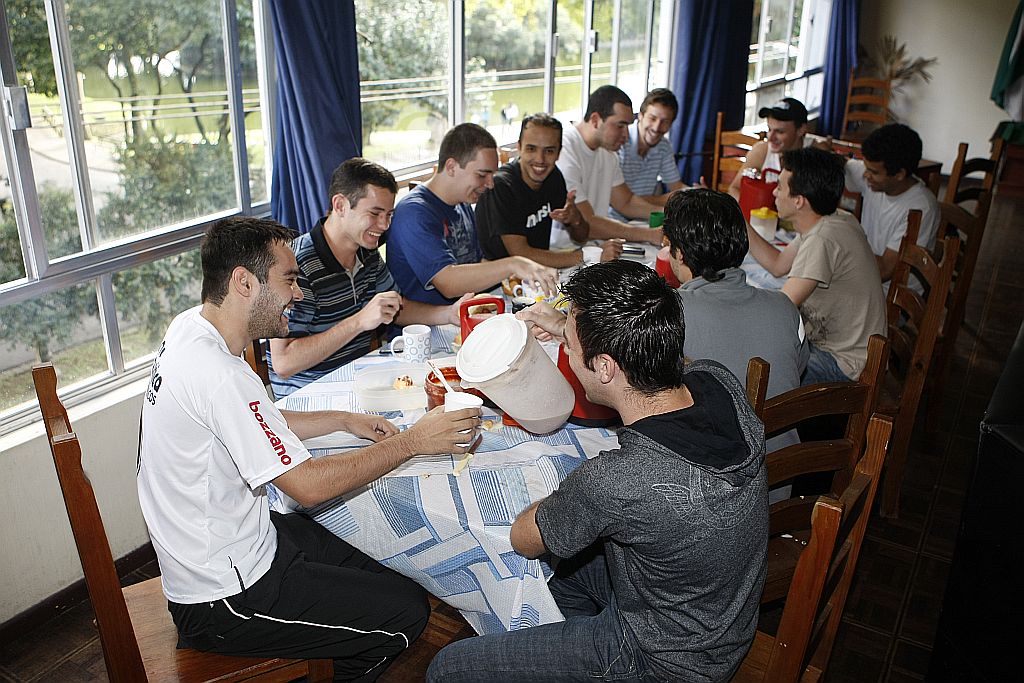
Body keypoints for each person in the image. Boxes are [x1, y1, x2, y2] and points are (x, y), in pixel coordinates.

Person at [138, 216, 482, 681]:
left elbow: (253, 421)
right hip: (223, 596)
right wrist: (413, 441)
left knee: (385, 557)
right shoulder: (219, 373)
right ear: (243, 282)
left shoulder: (192, 329)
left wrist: (342, 420)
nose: (298, 294)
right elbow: (308, 487)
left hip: (241, 542)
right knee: (406, 614)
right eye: (289, 280)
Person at [426, 259, 768, 683]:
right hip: (723, 612)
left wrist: (564, 500)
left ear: (605, 367)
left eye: (569, 345)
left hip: (663, 660)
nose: (566, 353)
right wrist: (569, 324)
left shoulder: (618, 479)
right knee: (563, 576)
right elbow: (679, 365)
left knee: (447, 668)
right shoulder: (720, 380)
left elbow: (525, 538)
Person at [267, 158, 472, 398]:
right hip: (312, 395)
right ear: (341, 205)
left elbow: (396, 308)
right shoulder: (296, 264)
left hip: (360, 381)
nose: (384, 225)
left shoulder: (366, 250)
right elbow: (284, 363)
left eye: (389, 215)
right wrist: (359, 321)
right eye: (375, 214)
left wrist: (448, 314)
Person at [745, 147, 886, 385]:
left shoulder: (823, 239)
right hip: (841, 349)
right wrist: (740, 221)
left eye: (780, 187)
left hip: (844, 363)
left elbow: (779, 310)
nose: (774, 192)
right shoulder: (832, 218)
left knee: (751, 371)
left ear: (799, 201)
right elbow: (778, 265)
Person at [663, 187, 807, 408]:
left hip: (715, 441)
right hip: (786, 441)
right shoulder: (786, 307)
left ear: (679, 253)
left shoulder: (670, 313)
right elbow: (797, 368)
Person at [385, 123, 558, 305]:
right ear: (451, 167)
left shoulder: (462, 204)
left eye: (492, 175)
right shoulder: (414, 213)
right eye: (483, 175)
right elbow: (448, 283)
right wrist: (513, 264)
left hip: (464, 310)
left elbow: (475, 263)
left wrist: (525, 273)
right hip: (427, 326)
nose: (491, 184)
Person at [475, 112, 622, 268]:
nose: (540, 159)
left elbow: (581, 237)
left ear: (559, 152)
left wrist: (575, 220)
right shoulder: (502, 186)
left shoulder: (553, 176)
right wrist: (591, 256)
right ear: (519, 148)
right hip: (499, 283)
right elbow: (521, 254)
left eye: (549, 151)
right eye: (531, 149)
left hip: (536, 275)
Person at [556, 85, 665, 247]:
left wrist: (670, 213)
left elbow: (626, 202)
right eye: (620, 126)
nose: (626, 136)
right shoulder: (564, 150)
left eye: (628, 126)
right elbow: (587, 222)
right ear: (595, 120)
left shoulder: (608, 152)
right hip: (563, 253)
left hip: (594, 249)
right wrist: (648, 234)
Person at [841, 123, 939, 284]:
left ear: (900, 174)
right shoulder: (878, 177)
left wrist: (841, 240)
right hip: (863, 273)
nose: (865, 175)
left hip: (889, 293)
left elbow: (885, 270)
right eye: (866, 167)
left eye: (873, 172)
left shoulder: (920, 208)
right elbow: (843, 163)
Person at [610, 87, 688, 221]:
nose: (657, 127)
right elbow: (621, 201)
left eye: (665, 122)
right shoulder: (619, 142)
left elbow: (677, 187)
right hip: (612, 220)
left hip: (643, 219)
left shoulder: (664, 146)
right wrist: (664, 199)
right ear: (640, 115)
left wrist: (696, 194)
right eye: (652, 118)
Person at [728, 97, 809, 200]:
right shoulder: (761, 151)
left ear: (801, 130)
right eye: (769, 129)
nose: (770, 137)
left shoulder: (816, 154)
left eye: (780, 132)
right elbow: (734, 189)